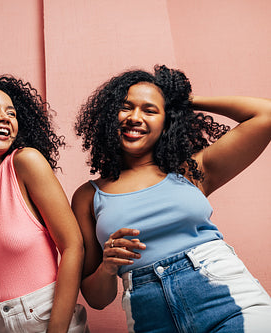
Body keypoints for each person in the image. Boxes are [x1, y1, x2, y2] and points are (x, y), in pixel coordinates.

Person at [72, 65, 271, 332]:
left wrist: (183, 101)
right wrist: (108, 267)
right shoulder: (88, 196)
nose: (135, 117)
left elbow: (265, 115)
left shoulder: (191, 170)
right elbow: (97, 299)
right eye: (125, 107)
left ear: (167, 120)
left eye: (150, 110)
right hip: (150, 318)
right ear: (110, 115)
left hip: (225, 301)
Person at [0, 76, 89, 332]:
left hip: (47, 315)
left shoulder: (25, 163)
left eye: (11, 113)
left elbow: (73, 246)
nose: (4, 117)